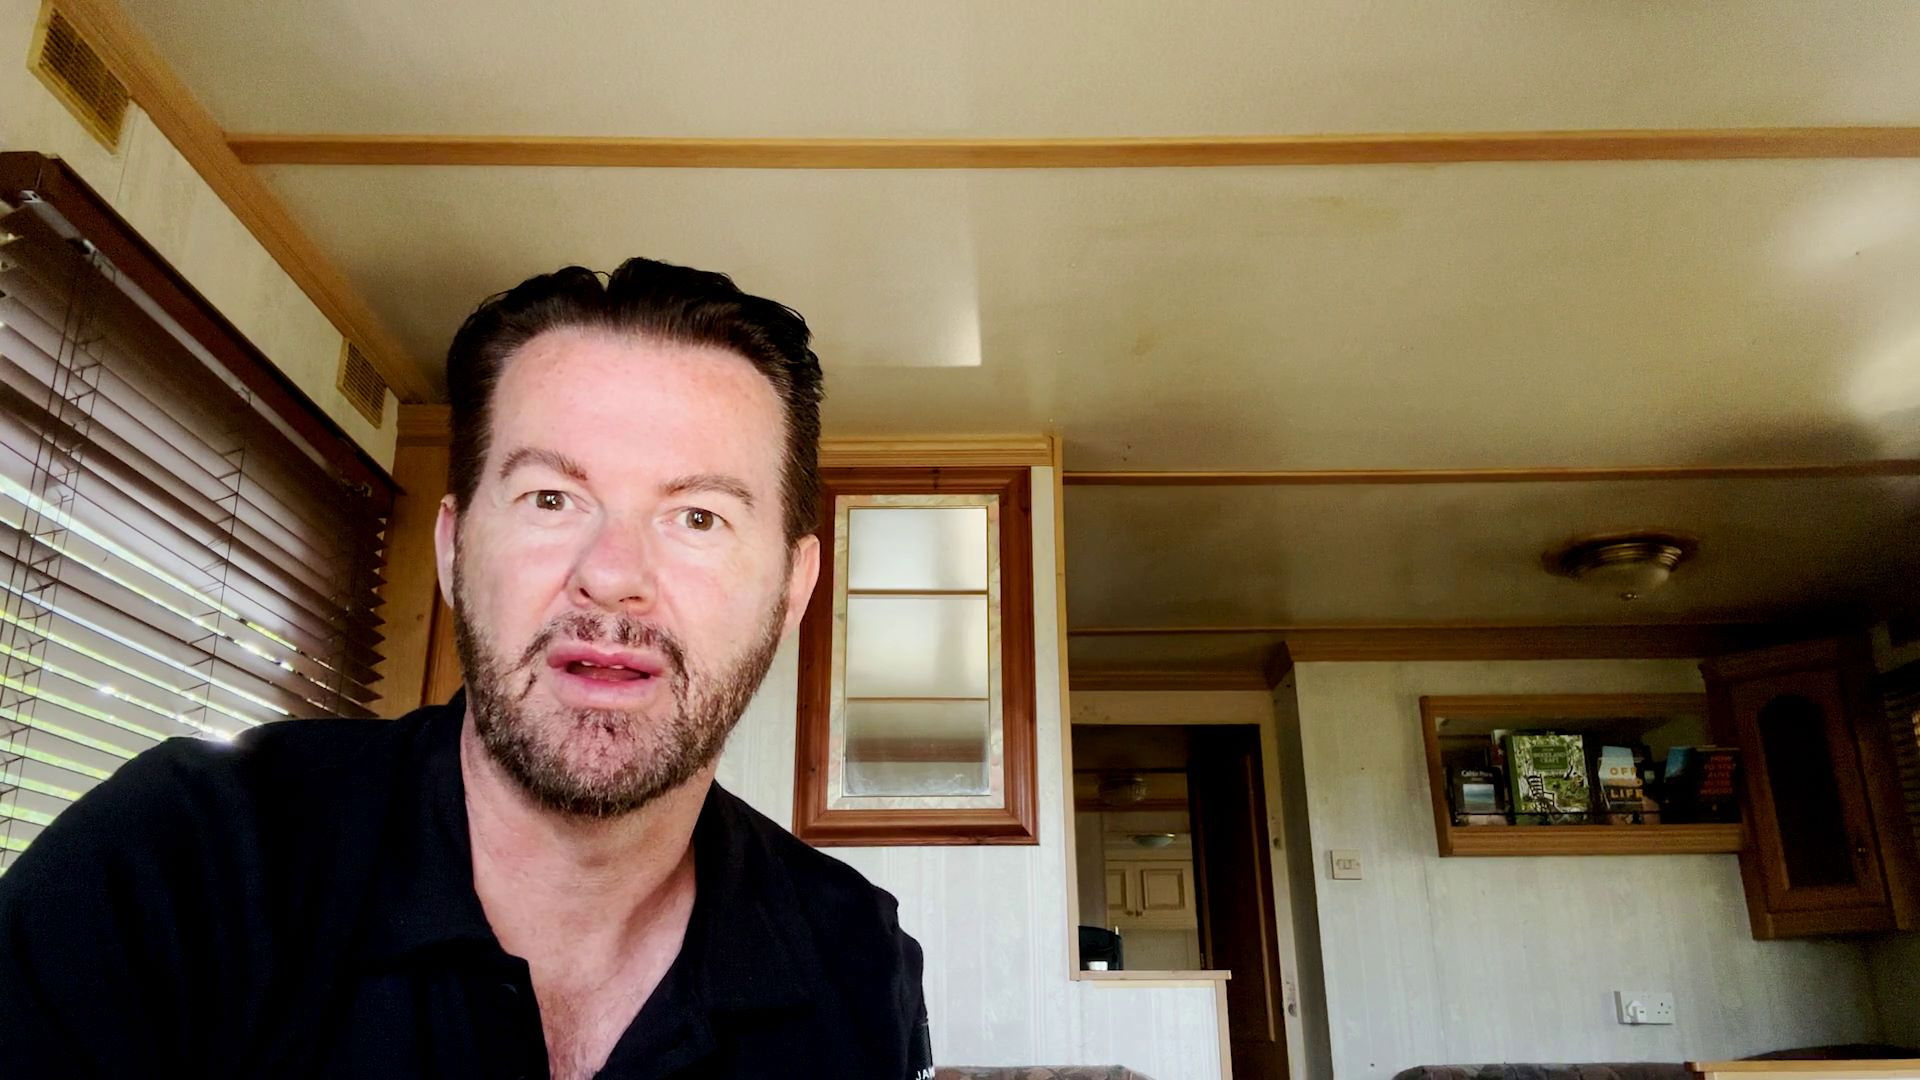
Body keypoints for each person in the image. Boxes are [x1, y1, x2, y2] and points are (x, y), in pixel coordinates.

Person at [0, 259, 934, 1079]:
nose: (613, 575)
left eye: (699, 517)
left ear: (793, 588)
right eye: (552, 497)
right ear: (454, 551)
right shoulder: (181, 859)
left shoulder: (856, 957)